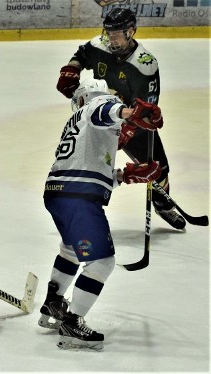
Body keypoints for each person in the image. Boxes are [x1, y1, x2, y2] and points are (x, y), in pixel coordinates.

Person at [39, 79, 163, 350]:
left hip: (57, 194)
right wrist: (131, 113)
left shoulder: (78, 124)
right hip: (77, 198)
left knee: (71, 250)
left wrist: (127, 175)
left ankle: (53, 303)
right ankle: (73, 323)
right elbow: (106, 111)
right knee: (102, 262)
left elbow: (91, 168)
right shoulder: (98, 103)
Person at [55, 7, 185, 230]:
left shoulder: (144, 65)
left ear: (131, 31)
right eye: (108, 32)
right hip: (100, 118)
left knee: (158, 168)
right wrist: (72, 69)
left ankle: (162, 204)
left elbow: (145, 110)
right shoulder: (98, 45)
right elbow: (81, 54)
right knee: (89, 166)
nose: (111, 38)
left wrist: (127, 132)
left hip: (131, 120)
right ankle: (80, 210)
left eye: (117, 33)